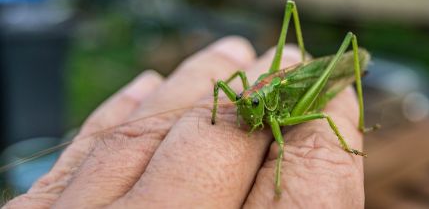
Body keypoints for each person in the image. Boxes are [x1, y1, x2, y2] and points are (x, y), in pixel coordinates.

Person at [4, 37, 364, 208]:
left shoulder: (268, 102)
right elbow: (233, 79)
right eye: (242, 103)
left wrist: (342, 149)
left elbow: (291, 133)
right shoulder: (244, 96)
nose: (242, 109)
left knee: (312, 117)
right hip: (271, 87)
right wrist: (216, 114)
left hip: (302, 90)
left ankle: (333, 68)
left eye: (247, 105)